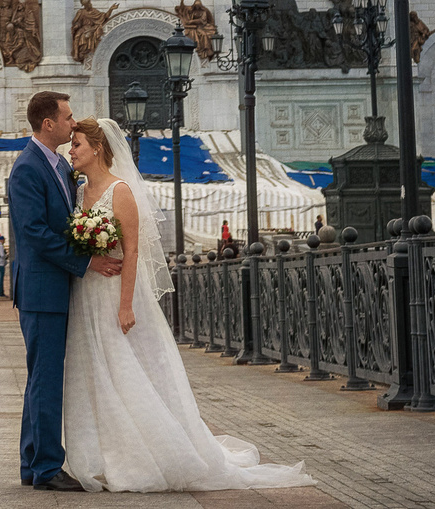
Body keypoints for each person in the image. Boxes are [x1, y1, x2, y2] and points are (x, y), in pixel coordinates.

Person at [56, 117, 310, 491]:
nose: (71, 151)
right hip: (86, 293)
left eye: (76, 144)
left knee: (126, 367)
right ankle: (97, 452)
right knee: (91, 369)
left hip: (114, 292)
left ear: (97, 148)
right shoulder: (78, 193)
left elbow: (133, 251)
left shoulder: (120, 191)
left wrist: (126, 305)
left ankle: (144, 454)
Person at [9, 92, 119, 491]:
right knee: (47, 379)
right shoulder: (27, 168)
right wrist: (87, 261)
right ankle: (47, 468)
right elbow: (34, 234)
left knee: (41, 378)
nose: (74, 125)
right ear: (48, 123)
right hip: (42, 291)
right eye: (68, 118)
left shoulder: (55, 163)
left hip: (52, 288)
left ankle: (31, 461)